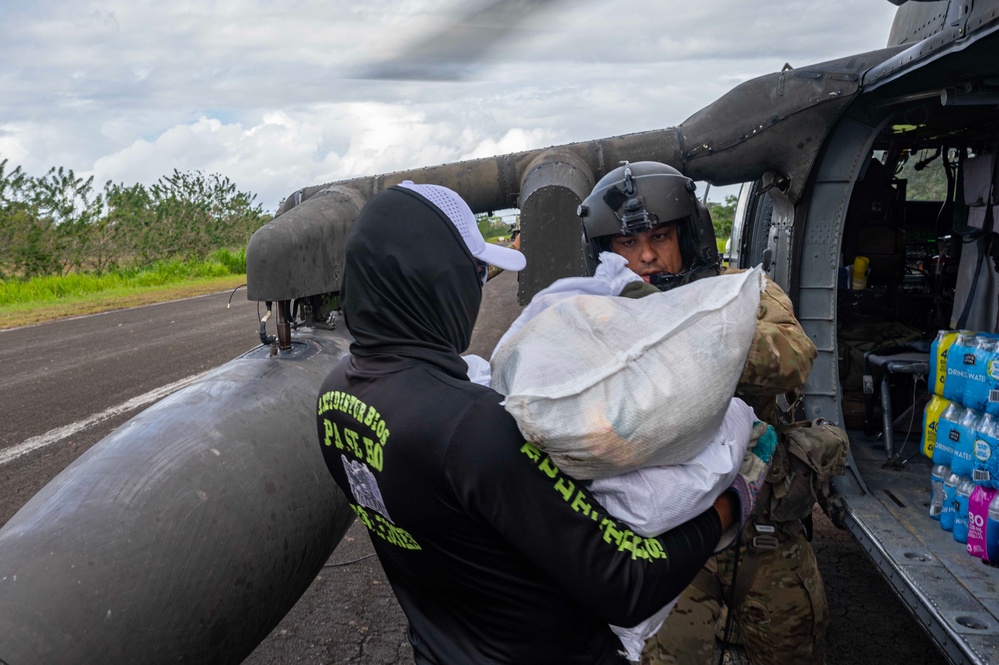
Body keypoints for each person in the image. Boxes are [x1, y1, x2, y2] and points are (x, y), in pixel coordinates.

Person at [316, 181, 757, 665]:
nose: (478, 292)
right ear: (439, 279)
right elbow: (629, 582)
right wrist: (730, 503)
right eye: (477, 273)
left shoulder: (335, 394)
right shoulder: (473, 428)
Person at [577, 161, 828, 665]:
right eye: (627, 245)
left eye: (660, 237)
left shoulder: (742, 290)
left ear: (687, 236)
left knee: (795, 648)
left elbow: (794, 357)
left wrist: (687, 330)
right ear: (605, 252)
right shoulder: (593, 312)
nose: (646, 256)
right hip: (669, 543)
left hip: (761, 530)